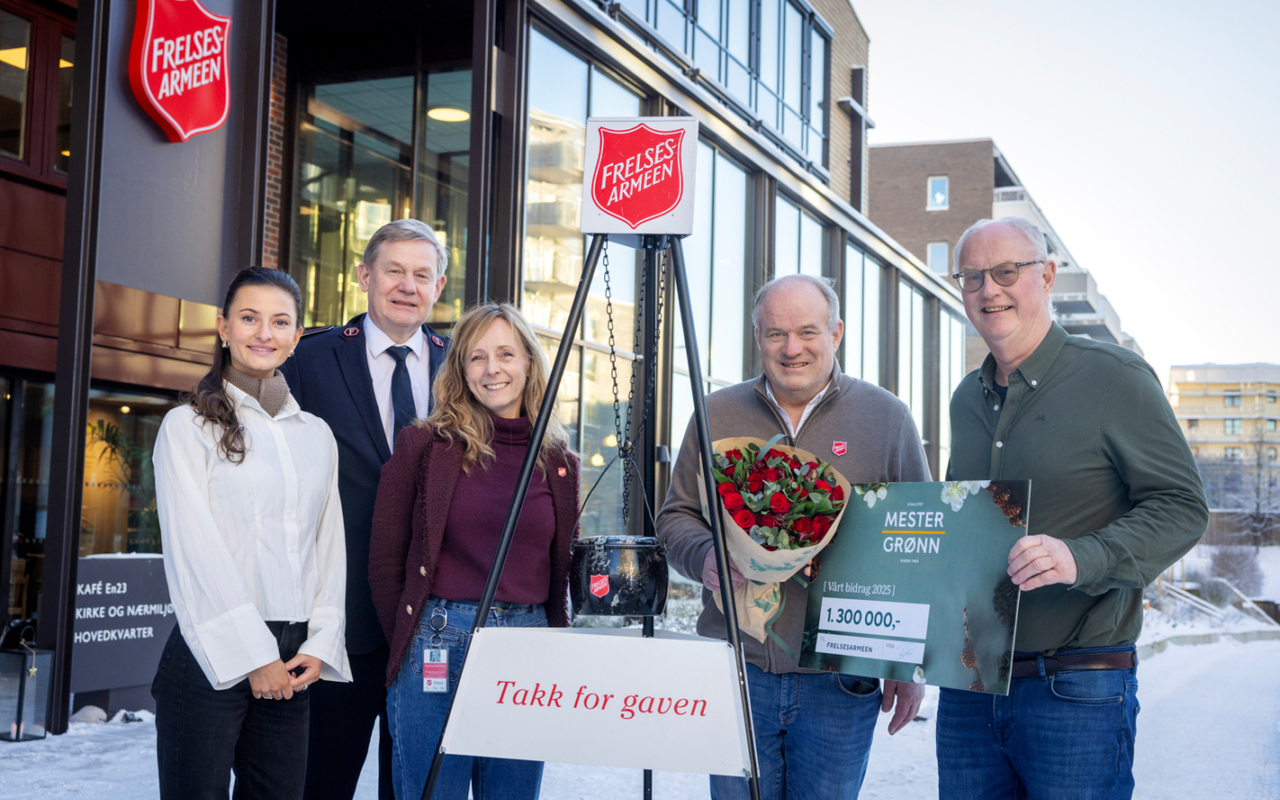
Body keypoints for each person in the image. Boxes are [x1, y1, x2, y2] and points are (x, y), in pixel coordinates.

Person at [939, 217, 1208, 799]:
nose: (989, 289)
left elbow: (1184, 506)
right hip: (970, 690)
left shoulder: (1116, 378)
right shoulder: (965, 399)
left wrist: (1081, 557)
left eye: (1007, 271)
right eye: (972, 277)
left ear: (1048, 275)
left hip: (1076, 692)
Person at [656, 273, 930, 800]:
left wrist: (909, 661)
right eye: (775, 333)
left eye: (807, 331)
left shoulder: (887, 418)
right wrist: (707, 555)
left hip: (842, 676)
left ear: (837, 333)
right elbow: (677, 518)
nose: (792, 348)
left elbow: (916, 548)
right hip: (737, 667)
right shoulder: (716, 414)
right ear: (757, 337)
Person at [151, 266, 351, 800]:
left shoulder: (317, 435)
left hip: (293, 659)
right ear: (223, 328)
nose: (265, 333)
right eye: (249, 318)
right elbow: (196, 555)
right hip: (211, 652)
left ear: (297, 336)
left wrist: (322, 639)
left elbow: (328, 548)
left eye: (280, 321)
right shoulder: (187, 428)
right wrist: (254, 657)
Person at [369, 303, 580, 800]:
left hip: (526, 646)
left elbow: (560, 564)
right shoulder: (424, 445)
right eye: (477, 357)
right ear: (461, 369)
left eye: (506, 354)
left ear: (529, 362)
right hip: (438, 640)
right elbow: (383, 562)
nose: (493, 369)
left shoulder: (558, 461)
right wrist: (409, 634)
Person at [280, 219, 451, 800]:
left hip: (433, 623)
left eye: (421, 275)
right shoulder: (309, 359)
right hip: (336, 624)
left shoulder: (465, 369)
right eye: (394, 271)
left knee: (414, 788)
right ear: (364, 276)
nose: (407, 285)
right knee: (319, 783)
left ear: (439, 286)